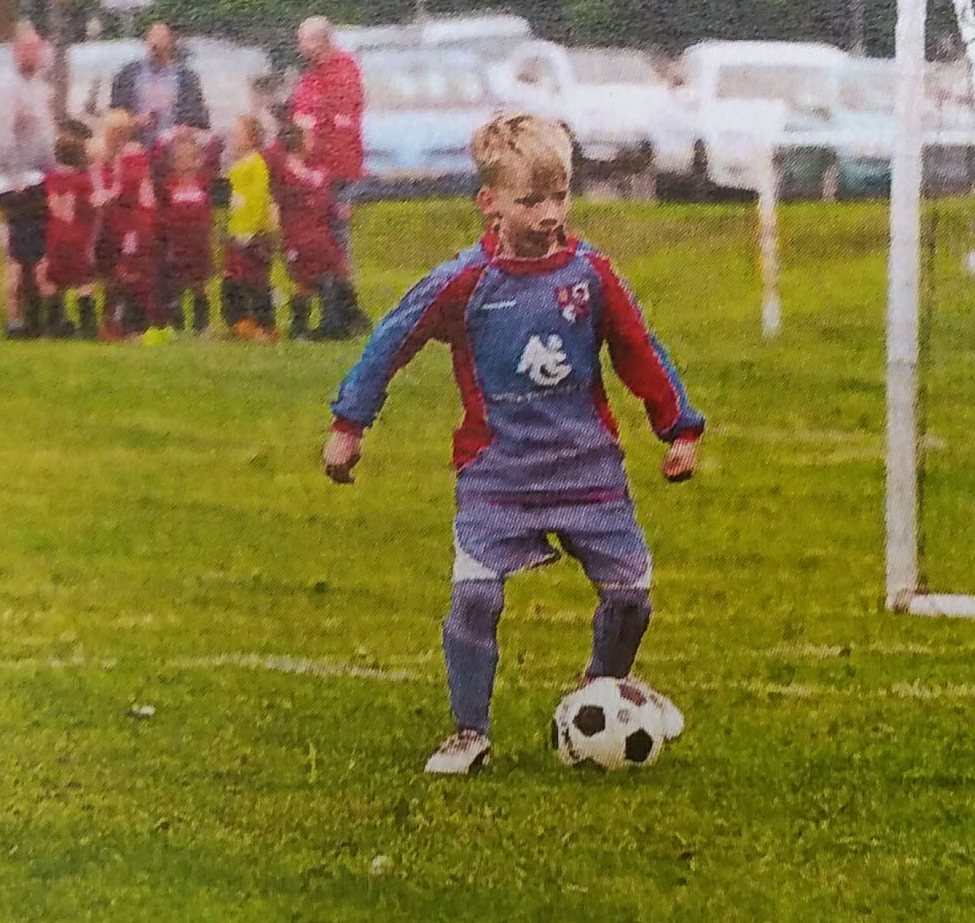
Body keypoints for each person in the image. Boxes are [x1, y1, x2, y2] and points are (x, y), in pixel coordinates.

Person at [321, 113, 704, 775]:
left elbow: (638, 350)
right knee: (476, 597)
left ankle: (602, 690)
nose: (549, 214)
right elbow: (390, 341)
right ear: (489, 203)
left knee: (630, 595)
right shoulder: (464, 282)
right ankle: (469, 732)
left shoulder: (590, 275)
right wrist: (349, 426)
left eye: (560, 198)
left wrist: (679, 428)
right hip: (497, 473)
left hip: (588, 469)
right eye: (531, 201)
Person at [0, 25, 56, 339]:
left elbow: (45, 133)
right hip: (15, 183)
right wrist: (14, 174)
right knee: (16, 254)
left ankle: (35, 316)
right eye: (29, 49)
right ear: (16, 51)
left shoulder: (39, 85)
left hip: (39, 178)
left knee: (38, 253)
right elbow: (1, 136)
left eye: (38, 49)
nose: (36, 55)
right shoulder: (5, 85)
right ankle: (14, 319)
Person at [264, 121, 357, 340]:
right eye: (308, 138)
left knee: (328, 272)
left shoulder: (312, 171)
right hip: (300, 234)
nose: (312, 142)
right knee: (307, 277)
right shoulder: (285, 168)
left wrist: (336, 209)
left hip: (319, 233)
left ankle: (334, 321)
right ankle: (308, 326)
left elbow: (322, 198)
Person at [289, 17, 364, 272]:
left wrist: (336, 178)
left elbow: (341, 128)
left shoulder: (343, 73)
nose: (300, 47)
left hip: (335, 171)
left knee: (337, 239)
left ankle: (344, 303)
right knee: (320, 241)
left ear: (320, 41)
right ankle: (331, 298)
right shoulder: (310, 78)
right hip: (316, 170)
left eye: (303, 41)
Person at [92, 109, 164, 341]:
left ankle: (133, 326)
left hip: (135, 224)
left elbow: (126, 189)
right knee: (115, 272)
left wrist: (103, 196)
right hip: (119, 223)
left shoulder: (132, 155)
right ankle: (112, 323)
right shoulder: (112, 159)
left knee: (131, 272)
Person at [38, 120, 101, 338]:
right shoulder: (83, 181)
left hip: (56, 237)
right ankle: (88, 325)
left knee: (55, 280)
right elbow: (93, 203)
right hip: (79, 238)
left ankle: (55, 324)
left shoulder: (52, 179)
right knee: (84, 280)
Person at [220, 114, 278, 341]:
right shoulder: (239, 165)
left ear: (252, 138)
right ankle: (240, 322)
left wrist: (250, 231)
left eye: (239, 134)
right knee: (234, 278)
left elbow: (256, 198)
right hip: (237, 232)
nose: (234, 138)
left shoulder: (256, 164)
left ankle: (264, 325)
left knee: (256, 281)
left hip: (251, 235)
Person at [109, 20, 209, 146]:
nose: (155, 42)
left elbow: (197, 118)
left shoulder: (186, 78)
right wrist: (134, 121)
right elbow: (115, 114)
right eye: (152, 36)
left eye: (161, 37)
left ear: (172, 42)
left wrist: (183, 129)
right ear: (146, 40)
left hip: (173, 146)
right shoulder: (128, 74)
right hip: (135, 144)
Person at [159, 127, 217, 334]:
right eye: (180, 157)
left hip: (199, 243)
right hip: (177, 243)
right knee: (176, 284)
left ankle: (201, 325)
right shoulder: (168, 184)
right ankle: (177, 323)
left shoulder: (203, 181)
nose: (185, 161)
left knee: (200, 284)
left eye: (189, 156)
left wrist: (194, 132)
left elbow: (216, 146)